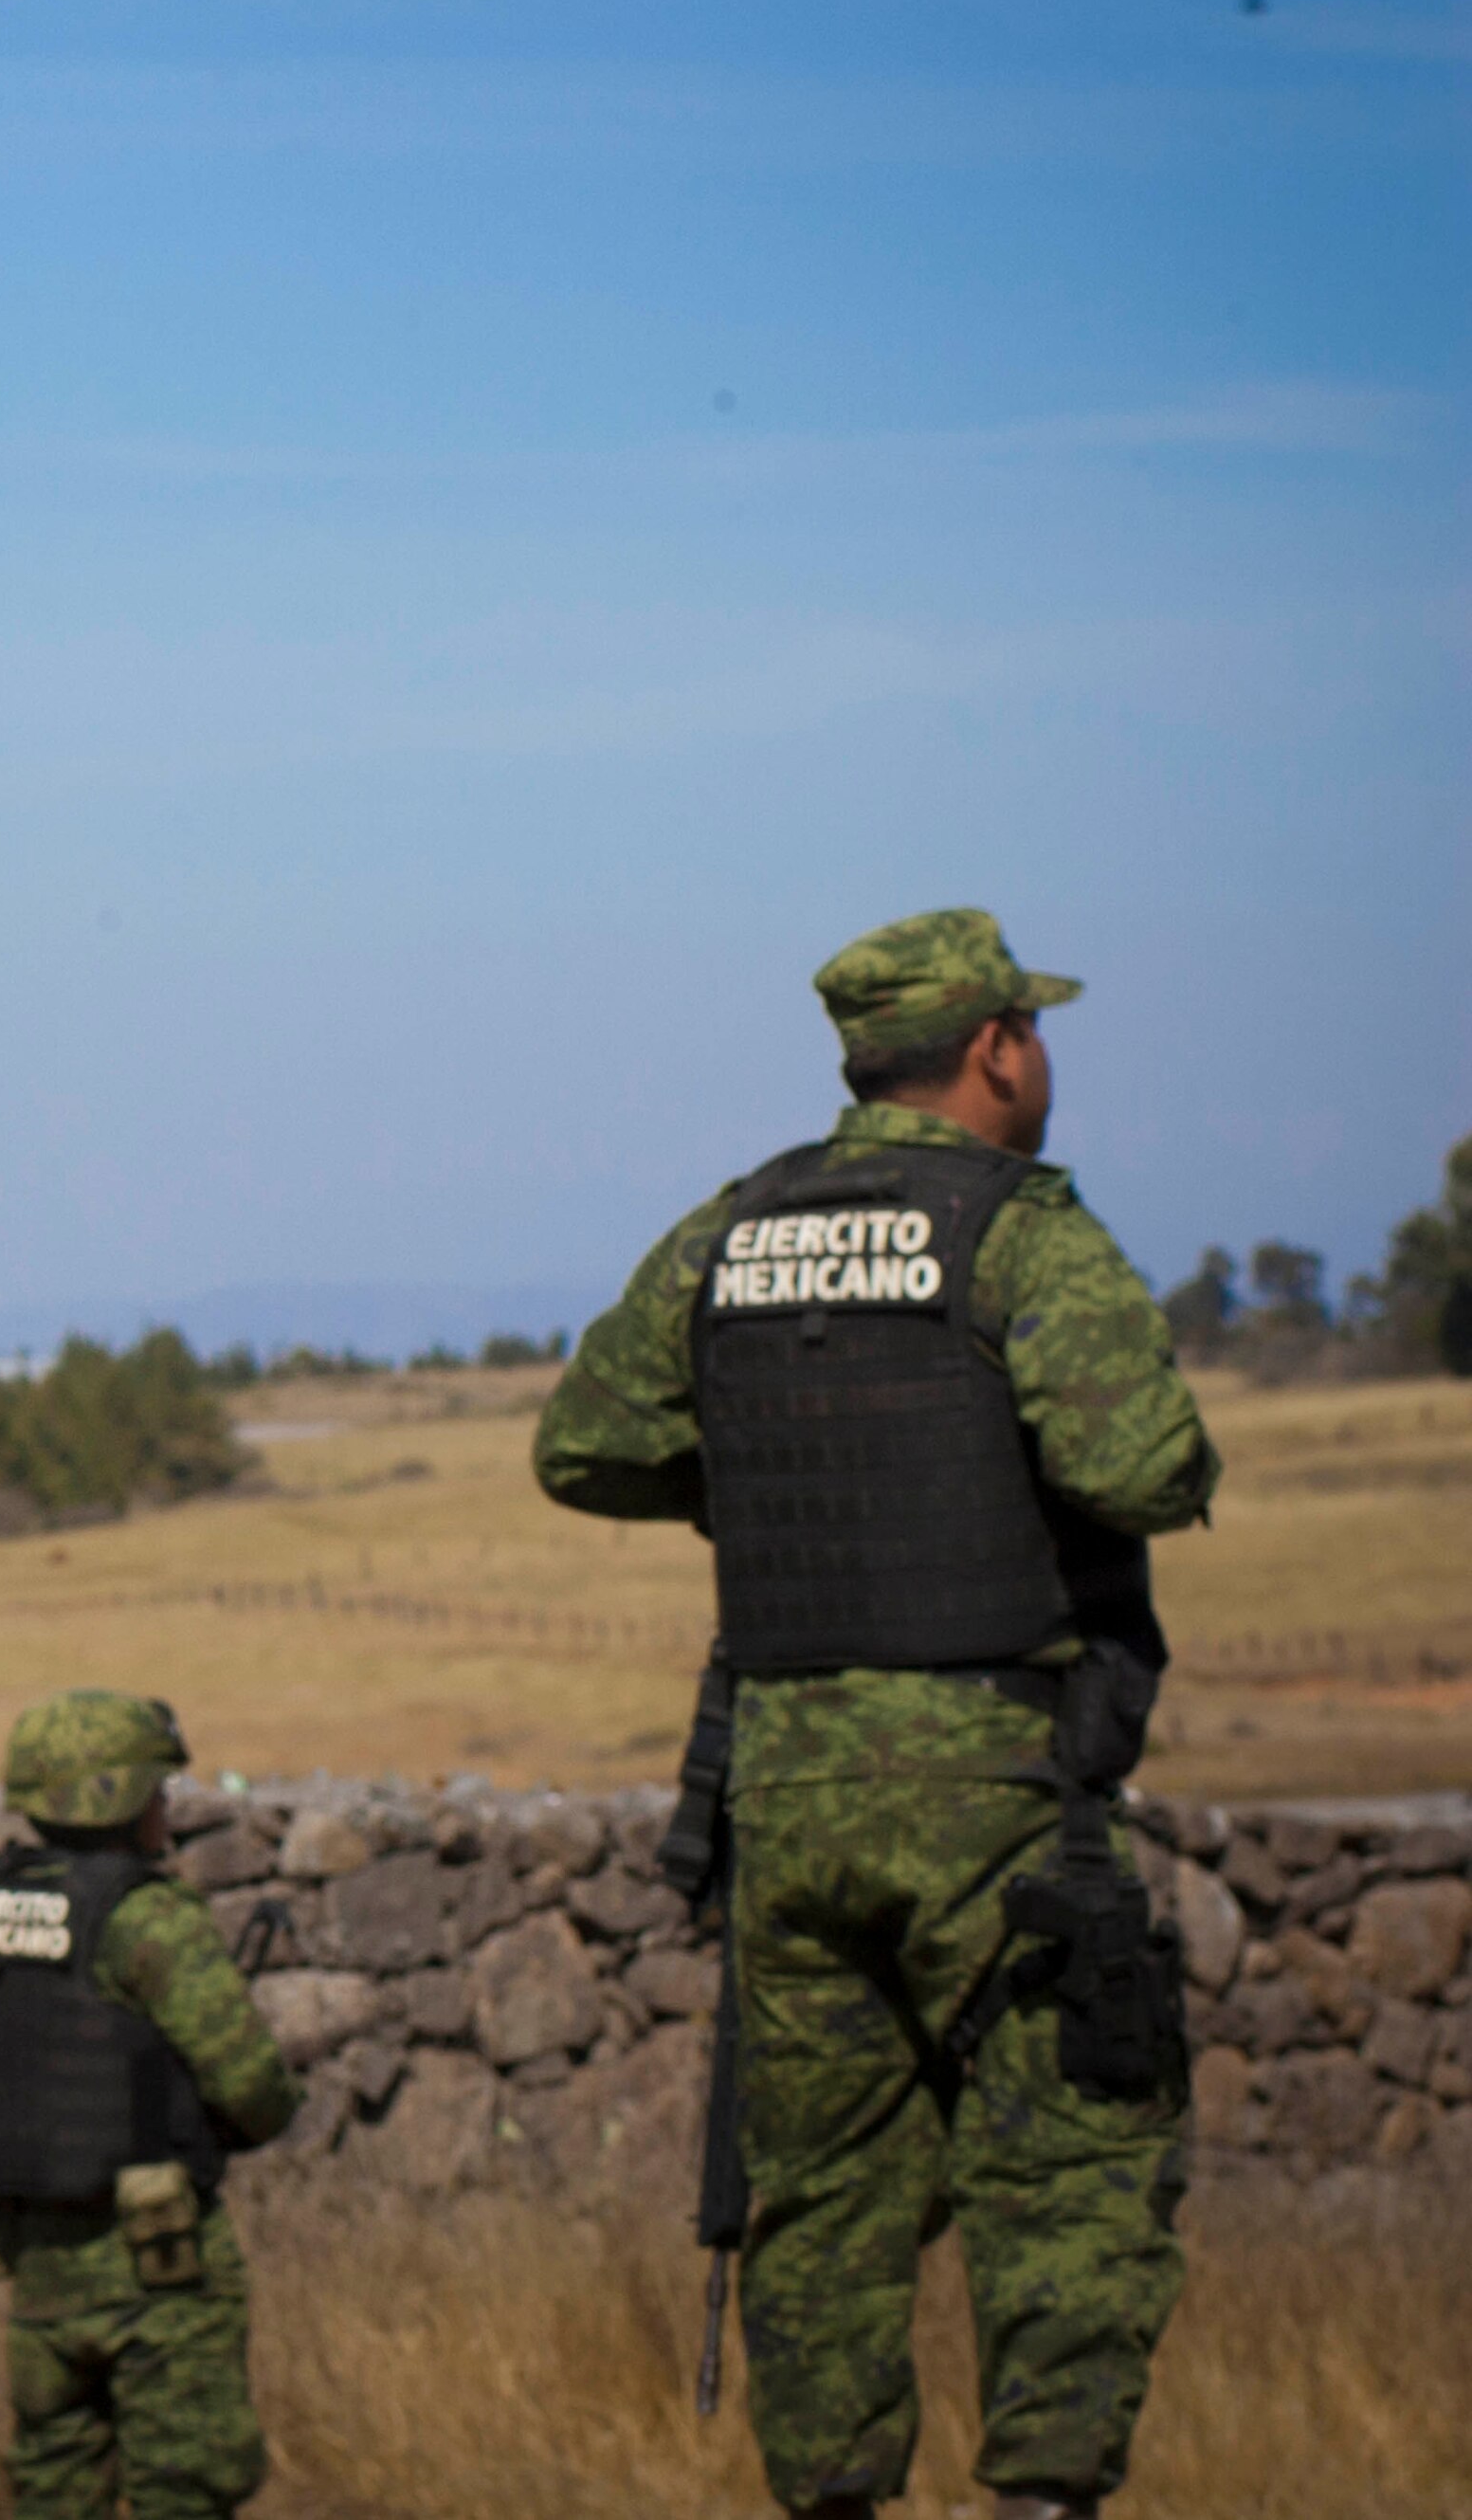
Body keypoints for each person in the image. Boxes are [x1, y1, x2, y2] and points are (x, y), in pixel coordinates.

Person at [532, 908, 1209, 2520]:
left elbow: (585, 1444)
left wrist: (761, 1495)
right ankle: (1044, 2493)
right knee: (1066, 2158)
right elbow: (1144, 1467)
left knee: (822, 2190)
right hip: (993, 1786)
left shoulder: (735, 1227)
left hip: (784, 1791)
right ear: (994, 1049)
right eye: (1034, 1030)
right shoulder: (1020, 1228)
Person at [0, 1690, 296, 2520]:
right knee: (188, 2488)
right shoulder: (145, 1914)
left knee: (55, 2489)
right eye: (158, 1790)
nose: (167, 1807)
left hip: (40, 2273)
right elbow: (252, 2083)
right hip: (158, 2262)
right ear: (125, 1797)